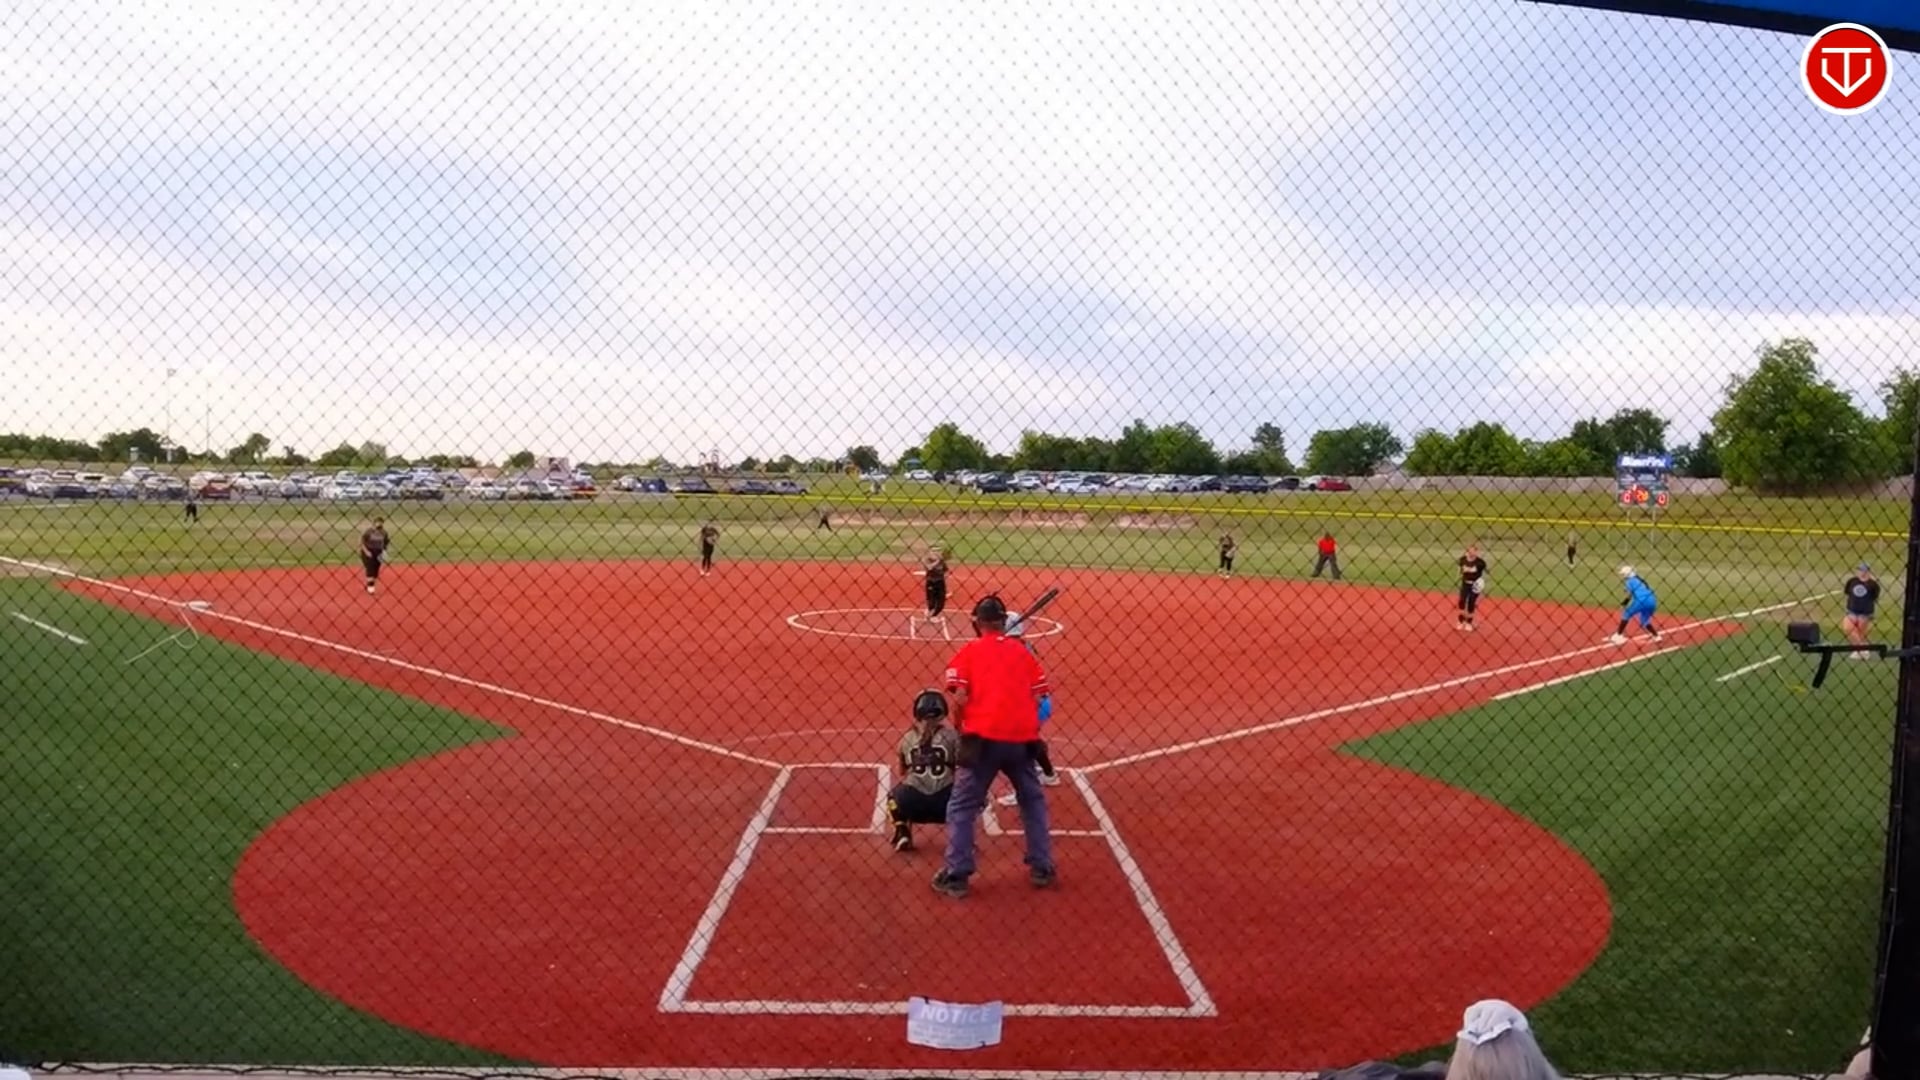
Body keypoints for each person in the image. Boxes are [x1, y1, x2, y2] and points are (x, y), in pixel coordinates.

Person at [932, 593, 1056, 898]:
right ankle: (1042, 866)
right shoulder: (1024, 653)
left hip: (982, 741)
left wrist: (962, 723)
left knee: (962, 805)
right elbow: (1040, 697)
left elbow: (959, 697)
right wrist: (1021, 723)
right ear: (1002, 622)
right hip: (1022, 741)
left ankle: (957, 874)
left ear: (977, 623)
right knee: (1032, 800)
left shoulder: (969, 652)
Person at [996, 609, 1059, 806]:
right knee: (1029, 740)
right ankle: (1049, 774)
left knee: (1018, 747)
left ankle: (1023, 791)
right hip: (1040, 702)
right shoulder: (1020, 645)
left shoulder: (1011, 650)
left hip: (1032, 703)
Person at [887, 689, 961, 852]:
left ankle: (902, 831)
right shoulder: (952, 736)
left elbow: (901, 772)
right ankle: (961, 837)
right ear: (943, 712)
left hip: (913, 805)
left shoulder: (907, 738)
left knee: (892, 796)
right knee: (973, 794)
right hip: (946, 806)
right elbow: (961, 765)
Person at [1610, 565, 1661, 644]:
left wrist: (1624, 603)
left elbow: (1629, 595)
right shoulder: (1640, 579)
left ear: (1626, 574)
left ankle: (1619, 635)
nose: (1623, 576)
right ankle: (1656, 636)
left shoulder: (1629, 581)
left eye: (1623, 574)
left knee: (1626, 614)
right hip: (1652, 601)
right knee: (1644, 620)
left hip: (1641, 601)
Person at [1844, 562, 1881, 658]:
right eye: (1860, 570)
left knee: (1860, 633)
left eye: (1864, 570)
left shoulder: (1873, 584)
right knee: (1848, 628)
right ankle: (1862, 649)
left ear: (1868, 572)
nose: (1862, 572)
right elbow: (1848, 593)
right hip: (1851, 610)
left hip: (1865, 613)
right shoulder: (1852, 581)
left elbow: (1875, 597)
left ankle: (1859, 651)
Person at [1456, 543, 1488, 631]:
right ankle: (1461, 621)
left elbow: (1473, 570)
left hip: (1475, 585)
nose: (1471, 552)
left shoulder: (1480, 562)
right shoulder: (1463, 559)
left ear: (1476, 552)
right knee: (1462, 601)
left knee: (1471, 602)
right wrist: (1463, 569)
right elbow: (1462, 569)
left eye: (1473, 550)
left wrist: (1466, 569)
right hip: (1465, 584)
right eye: (1469, 550)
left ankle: (1469, 623)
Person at [359, 516, 389, 595]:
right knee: (370, 569)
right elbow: (362, 543)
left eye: (381, 522)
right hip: (368, 552)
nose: (379, 524)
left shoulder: (384, 533)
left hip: (378, 552)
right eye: (378, 522)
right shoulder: (369, 532)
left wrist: (384, 552)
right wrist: (366, 552)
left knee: (375, 571)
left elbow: (385, 543)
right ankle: (371, 589)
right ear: (374, 523)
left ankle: (369, 584)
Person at [922, 547, 949, 620]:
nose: (936, 553)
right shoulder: (926, 560)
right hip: (931, 582)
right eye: (934, 551)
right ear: (929, 553)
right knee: (931, 602)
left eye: (938, 551)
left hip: (940, 582)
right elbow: (929, 567)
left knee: (941, 603)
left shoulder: (942, 562)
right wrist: (939, 560)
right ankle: (929, 611)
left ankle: (934, 615)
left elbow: (946, 571)